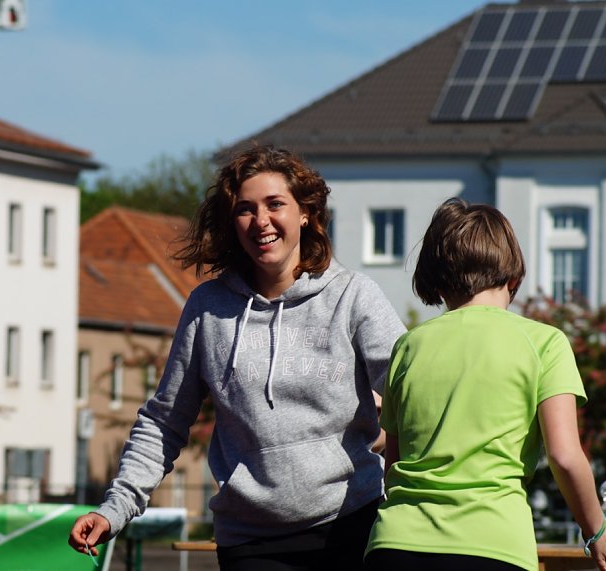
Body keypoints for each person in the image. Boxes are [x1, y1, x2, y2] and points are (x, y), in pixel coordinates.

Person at [68, 145, 405, 570]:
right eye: (246, 209)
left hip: (349, 525)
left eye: (275, 204)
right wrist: (114, 507)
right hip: (248, 540)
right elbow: (164, 421)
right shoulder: (208, 309)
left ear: (306, 213)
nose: (261, 221)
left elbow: (411, 392)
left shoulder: (354, 297)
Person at [364, 198, 606, 571]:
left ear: (436, 279)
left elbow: (394, 462)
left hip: (395, 543)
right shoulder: (544, 343)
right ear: (514, 276)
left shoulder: (409, 345)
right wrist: (597, 531)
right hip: (492, 545)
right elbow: (565, 456)